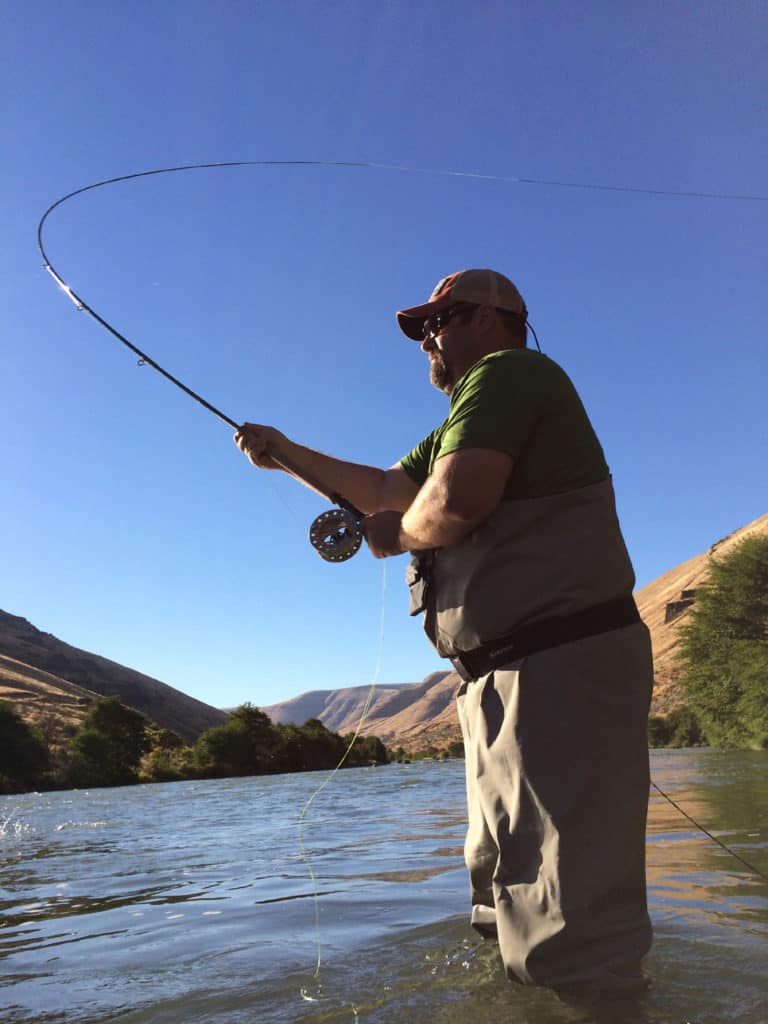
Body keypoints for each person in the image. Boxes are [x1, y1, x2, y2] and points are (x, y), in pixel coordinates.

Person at [235, 268, 654, 999]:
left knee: (570, 919)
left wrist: (396, 535)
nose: (428, 336)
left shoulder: (510, 372)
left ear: (493, 319)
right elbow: (384, 490)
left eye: (442, 318)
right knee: (504, 892)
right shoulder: (462, 419)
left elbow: (454, 500)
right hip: (498, 680)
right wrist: (285, 452)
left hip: (557, 667)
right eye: (423, 327)